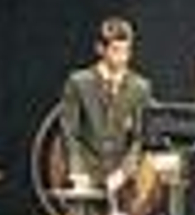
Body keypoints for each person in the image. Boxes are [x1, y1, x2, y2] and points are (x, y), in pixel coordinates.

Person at [57, 17, 153, 198]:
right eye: (116, 51)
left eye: (127, 51)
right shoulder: (79, 82)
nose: (122, 58)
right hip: (85, 177)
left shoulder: (140, 87)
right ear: (100, 49)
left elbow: (141, 138)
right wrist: (77, 170)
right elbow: (69, 131)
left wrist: (124, 172)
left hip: (123, 180)